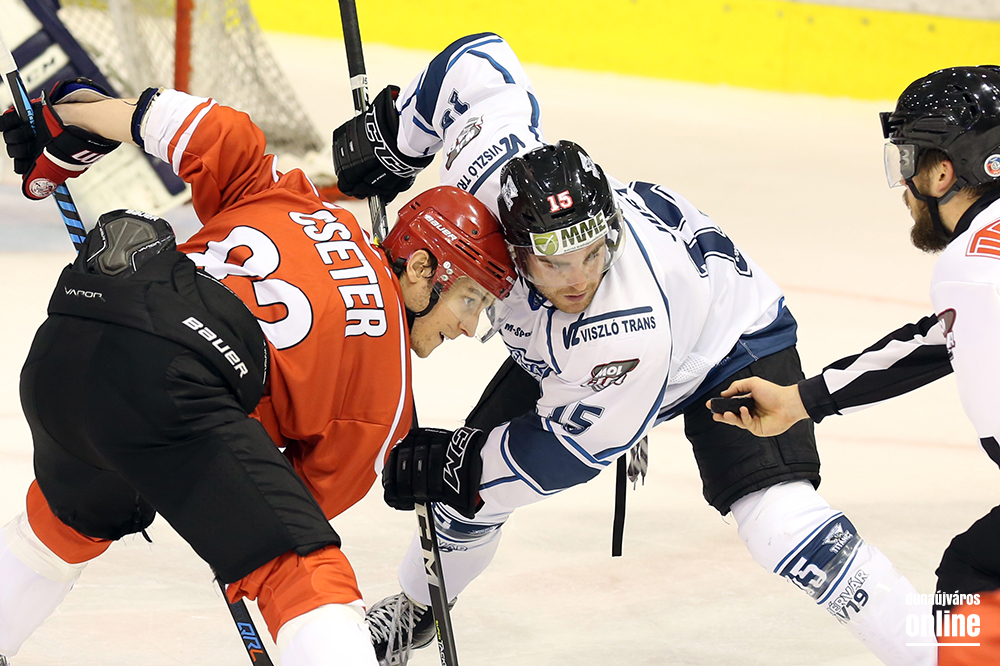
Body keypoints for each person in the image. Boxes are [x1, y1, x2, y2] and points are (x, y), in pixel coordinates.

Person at [331, 32, 935, 666]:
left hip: (726, 339)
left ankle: (934, 640)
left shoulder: (623, 323)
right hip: (591, 357)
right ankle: (416, 609)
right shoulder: (485, 190)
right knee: (461, 504)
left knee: (778, 522)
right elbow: (481, 64)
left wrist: (469, 466)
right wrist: (400, 138)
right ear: (513, 243)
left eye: (594, 254)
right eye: (555, 262)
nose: (579, 280)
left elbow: (567, 452)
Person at [0, 78, 516, 665]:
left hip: (69, 342)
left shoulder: (301, 202)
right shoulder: (388, 397)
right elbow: (291, 501)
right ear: (421, 268)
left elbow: (217, 134)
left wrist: (81, 115)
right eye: (470, 299)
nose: (469, 327)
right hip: (178, 384)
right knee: (300, 568)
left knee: (68, 520)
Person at [708, 65, 1000, 665]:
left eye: (909, 162)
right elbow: (936, 342)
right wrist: (800, 400)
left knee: (972, 587)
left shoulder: (972, 264)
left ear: (944, 172)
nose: (904, 186)